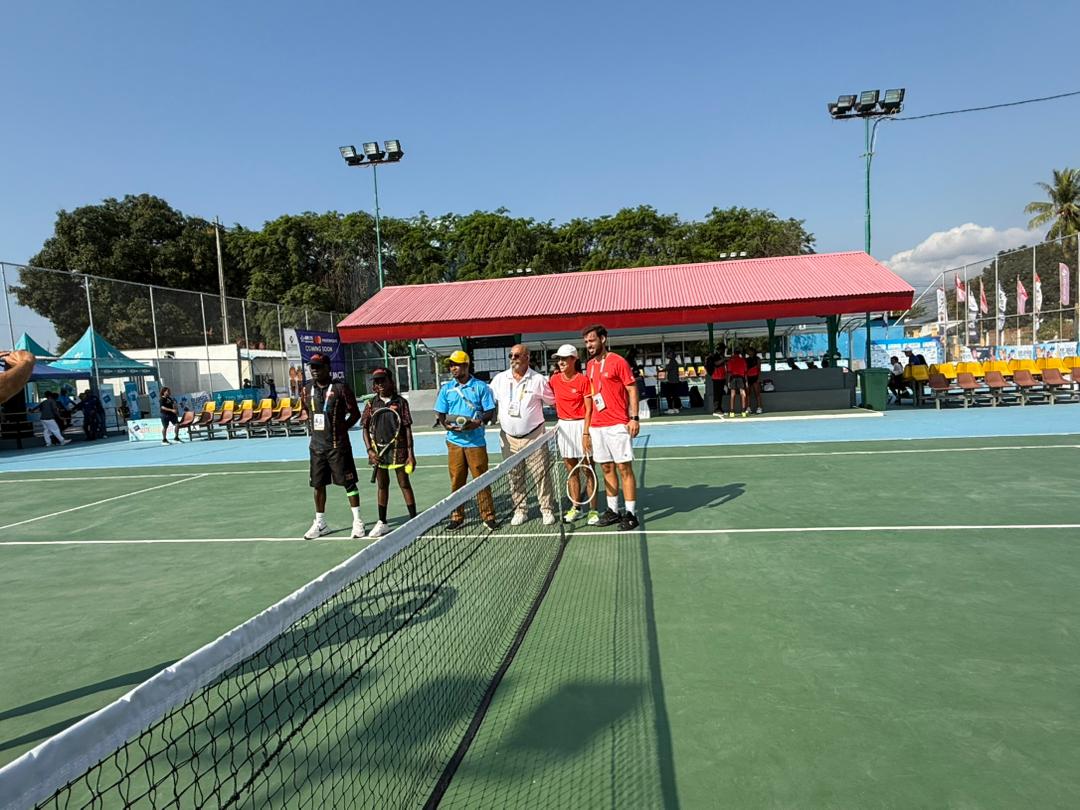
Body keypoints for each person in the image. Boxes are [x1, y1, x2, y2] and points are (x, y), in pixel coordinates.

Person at [298, 353, 365, 540]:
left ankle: (357, 521)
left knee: (349, 484)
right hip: (317, 447)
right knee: (318, 485)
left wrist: (342, 427)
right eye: (312, 367)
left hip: (338, 446)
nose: (314, 370)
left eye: (318, 367)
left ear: (328, 368)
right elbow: (306, 409)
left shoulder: (340, 388)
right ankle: (320, 523)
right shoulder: (307, 389)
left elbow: (355, 413)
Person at [582, 324, 640, 531]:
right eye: (586, 342)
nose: (589, 345)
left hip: (617, 424)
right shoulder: (589, 366)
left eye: (592, 340)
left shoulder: (618, 361)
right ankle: (613, 510)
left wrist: (634, 418)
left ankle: (631, 513)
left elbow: (632, 389)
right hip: (598, 426)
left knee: (624, 469)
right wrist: (587, 429)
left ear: (603, 339)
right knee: (606, 468)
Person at [491, 343, 556, 526]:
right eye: (511, 355)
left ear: (527, 357)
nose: (513, 359)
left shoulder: (538, 380)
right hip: (508, 438)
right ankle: (520, 510)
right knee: (514, 476)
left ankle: (546, 509)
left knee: (541, 475)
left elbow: (554, 402)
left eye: (517, 356)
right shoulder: (499, 379)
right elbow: (487, 402)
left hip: (534, 437)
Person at [434, 350, 499, 531]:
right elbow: (441, 412)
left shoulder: (480, 387)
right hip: (454, 441)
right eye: (451, 365)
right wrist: (445, 425)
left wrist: (477, 422)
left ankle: (488, 515)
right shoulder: (447, 388)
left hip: (476, 442)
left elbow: (489, 411)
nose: (453, 368)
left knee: (481, 480)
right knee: (457, 480)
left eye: (456, 365)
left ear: (465, 365)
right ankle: (457, 516)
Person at [360, 367, 417, 538]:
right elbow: (364, 428)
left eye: (382, 380)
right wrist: (369, 450)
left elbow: (407, 429)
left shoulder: (400, 402)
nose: (380, 384)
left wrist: (410, 454)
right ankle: (382, 522)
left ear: (390, 381)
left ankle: (414, 519)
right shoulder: (371, 404)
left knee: (404, 483)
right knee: (382, 486)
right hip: (378, 452)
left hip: (398, 451)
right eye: (377, 381)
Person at [549, 344, 600, 525]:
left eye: (564, 358)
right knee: (571, 471)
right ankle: (576, 507)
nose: (561, 362)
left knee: (588, 469)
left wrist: (586, 433)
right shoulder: (554, 380)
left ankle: (593, 510)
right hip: (564, 427)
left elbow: (589, 410)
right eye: (559, 359)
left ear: (573, 360)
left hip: (582, 426)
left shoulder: (583, 380)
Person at [726, 348, 749, 417]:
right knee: (743, 394)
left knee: (732, 394)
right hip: (741, 378)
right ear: (739, 353)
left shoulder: (730, 360)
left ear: (734, 353)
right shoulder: (743, 360)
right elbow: (745, 372)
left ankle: (732, 412)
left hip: (733, 378)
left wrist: (728, 381)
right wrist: (746, 381)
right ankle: (743, 412)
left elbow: (729, 372)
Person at [706, 347, 726, 416]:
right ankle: (716, 409)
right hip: (717, 377)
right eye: (722, 349)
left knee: (720, 394)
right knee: (717, 394)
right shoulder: (714, 356)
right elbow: (716, 363)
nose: (723, 350)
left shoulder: (720, 356)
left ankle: (719, 409)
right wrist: (723, 360)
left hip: (722, 377)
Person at [746, 348, 763, 414]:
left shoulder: (758, 359)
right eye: (748, 351)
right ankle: (748, 408)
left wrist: (758, 378)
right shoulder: (746, 360)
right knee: (748, 393)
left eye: (750, 350)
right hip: (748, 378)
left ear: (753, 351)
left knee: (757, 393)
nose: (749, 352)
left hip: (755, 378)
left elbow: (759, 369)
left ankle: (759, 408)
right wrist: (746, 379)